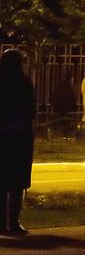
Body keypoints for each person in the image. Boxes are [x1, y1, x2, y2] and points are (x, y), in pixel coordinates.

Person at [0, 49, 36, 237]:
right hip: (19, 137)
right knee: (16, 183)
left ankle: (2, 223)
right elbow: (31, 110)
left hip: (3, 138)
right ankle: (13, 222)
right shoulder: (24, 83)